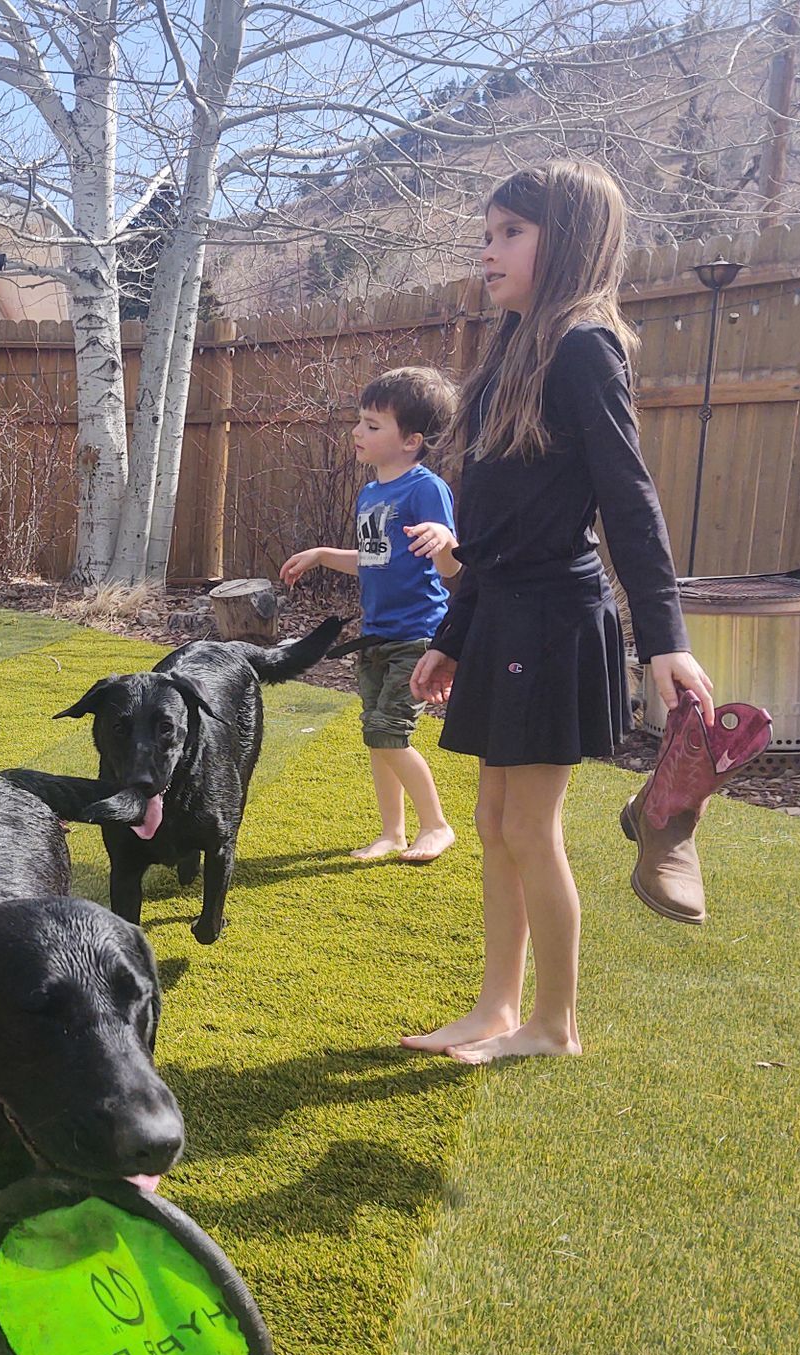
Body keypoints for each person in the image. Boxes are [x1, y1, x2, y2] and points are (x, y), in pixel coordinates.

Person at [401, 159, 715, 1064]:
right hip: (504, 614)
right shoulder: (513, 347)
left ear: (566, 241)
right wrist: (454, 636)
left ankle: (554, 1023)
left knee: (527, 827)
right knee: (497, 820)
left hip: (556, 621)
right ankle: (498, 1009)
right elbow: (494, 526)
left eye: (510, 233)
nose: (487, 250)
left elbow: (629, 497)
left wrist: (665, 640)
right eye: (487, 231)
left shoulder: (584, 346)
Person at [281, 367, 460, 864]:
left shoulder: (426, 489)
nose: (358, 433)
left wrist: (447, 543)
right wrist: (321, 554)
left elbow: (449, 566)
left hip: (418, 635)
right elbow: (372, 559)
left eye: (373, 425)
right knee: (378, 737)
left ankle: (437, 825)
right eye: (360, 422)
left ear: (412, 440)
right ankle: (393, 832)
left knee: (389, 731)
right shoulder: (371, 493)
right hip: (377, 634)